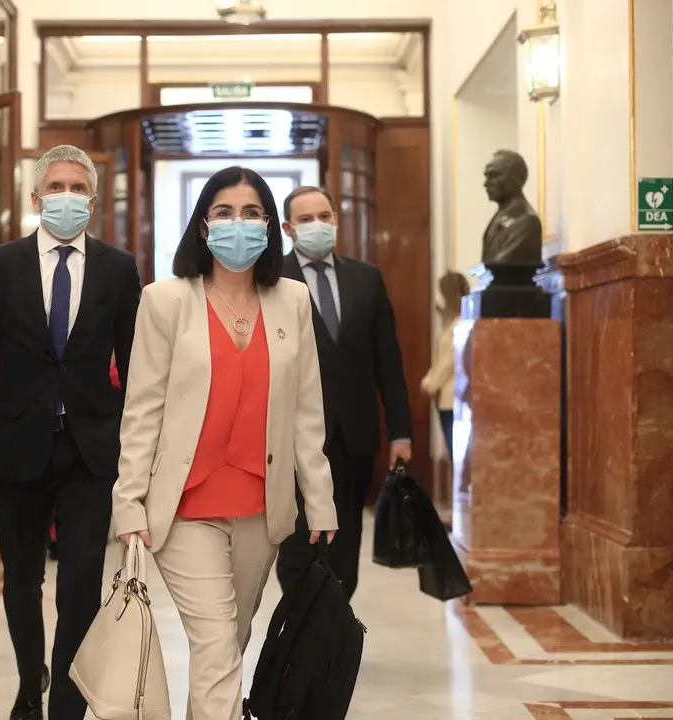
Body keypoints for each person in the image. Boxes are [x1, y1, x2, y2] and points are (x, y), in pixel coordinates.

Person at [112, 166, 338, 720]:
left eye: (251, 212)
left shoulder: (293, 300)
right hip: (185, 504)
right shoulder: (165, 300)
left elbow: (307, 409)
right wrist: (128, 501)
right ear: (203, 224)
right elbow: (142, 409)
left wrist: (321, 496)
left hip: (261, 506)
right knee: (215, 643)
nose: (239, 224)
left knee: (226, 649)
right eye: (223, 212)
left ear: (269, 225)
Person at [0, 145, 141, 720]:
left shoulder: (119, 269)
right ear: (35, 198)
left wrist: (143, 455)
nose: (65, 197)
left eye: (77, 188)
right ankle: (30, 681)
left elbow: (139, 370)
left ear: (92, 201)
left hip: (92, 449)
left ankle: (68, 705)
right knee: (21, 580)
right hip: (18, 444)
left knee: (80, 584)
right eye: (56, 187)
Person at [275, 186, 413, 600]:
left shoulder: (367, 278)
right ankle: (300, 636)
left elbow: (388, 360)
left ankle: (335, 631)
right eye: (305, 219)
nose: (317, 225)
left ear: (336, 220)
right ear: (287, 228)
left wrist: (401, 433)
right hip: (293, 438)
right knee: (299, 543)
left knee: (345, 541)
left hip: (354, 435)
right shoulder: (273, 280)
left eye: (325, 216)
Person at [421, 271, 470, 460]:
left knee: (457, 455)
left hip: (453, 398)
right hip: (446, 398)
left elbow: (449, 362)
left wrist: (430, 384)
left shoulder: (459, 325)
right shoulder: (451, 323)